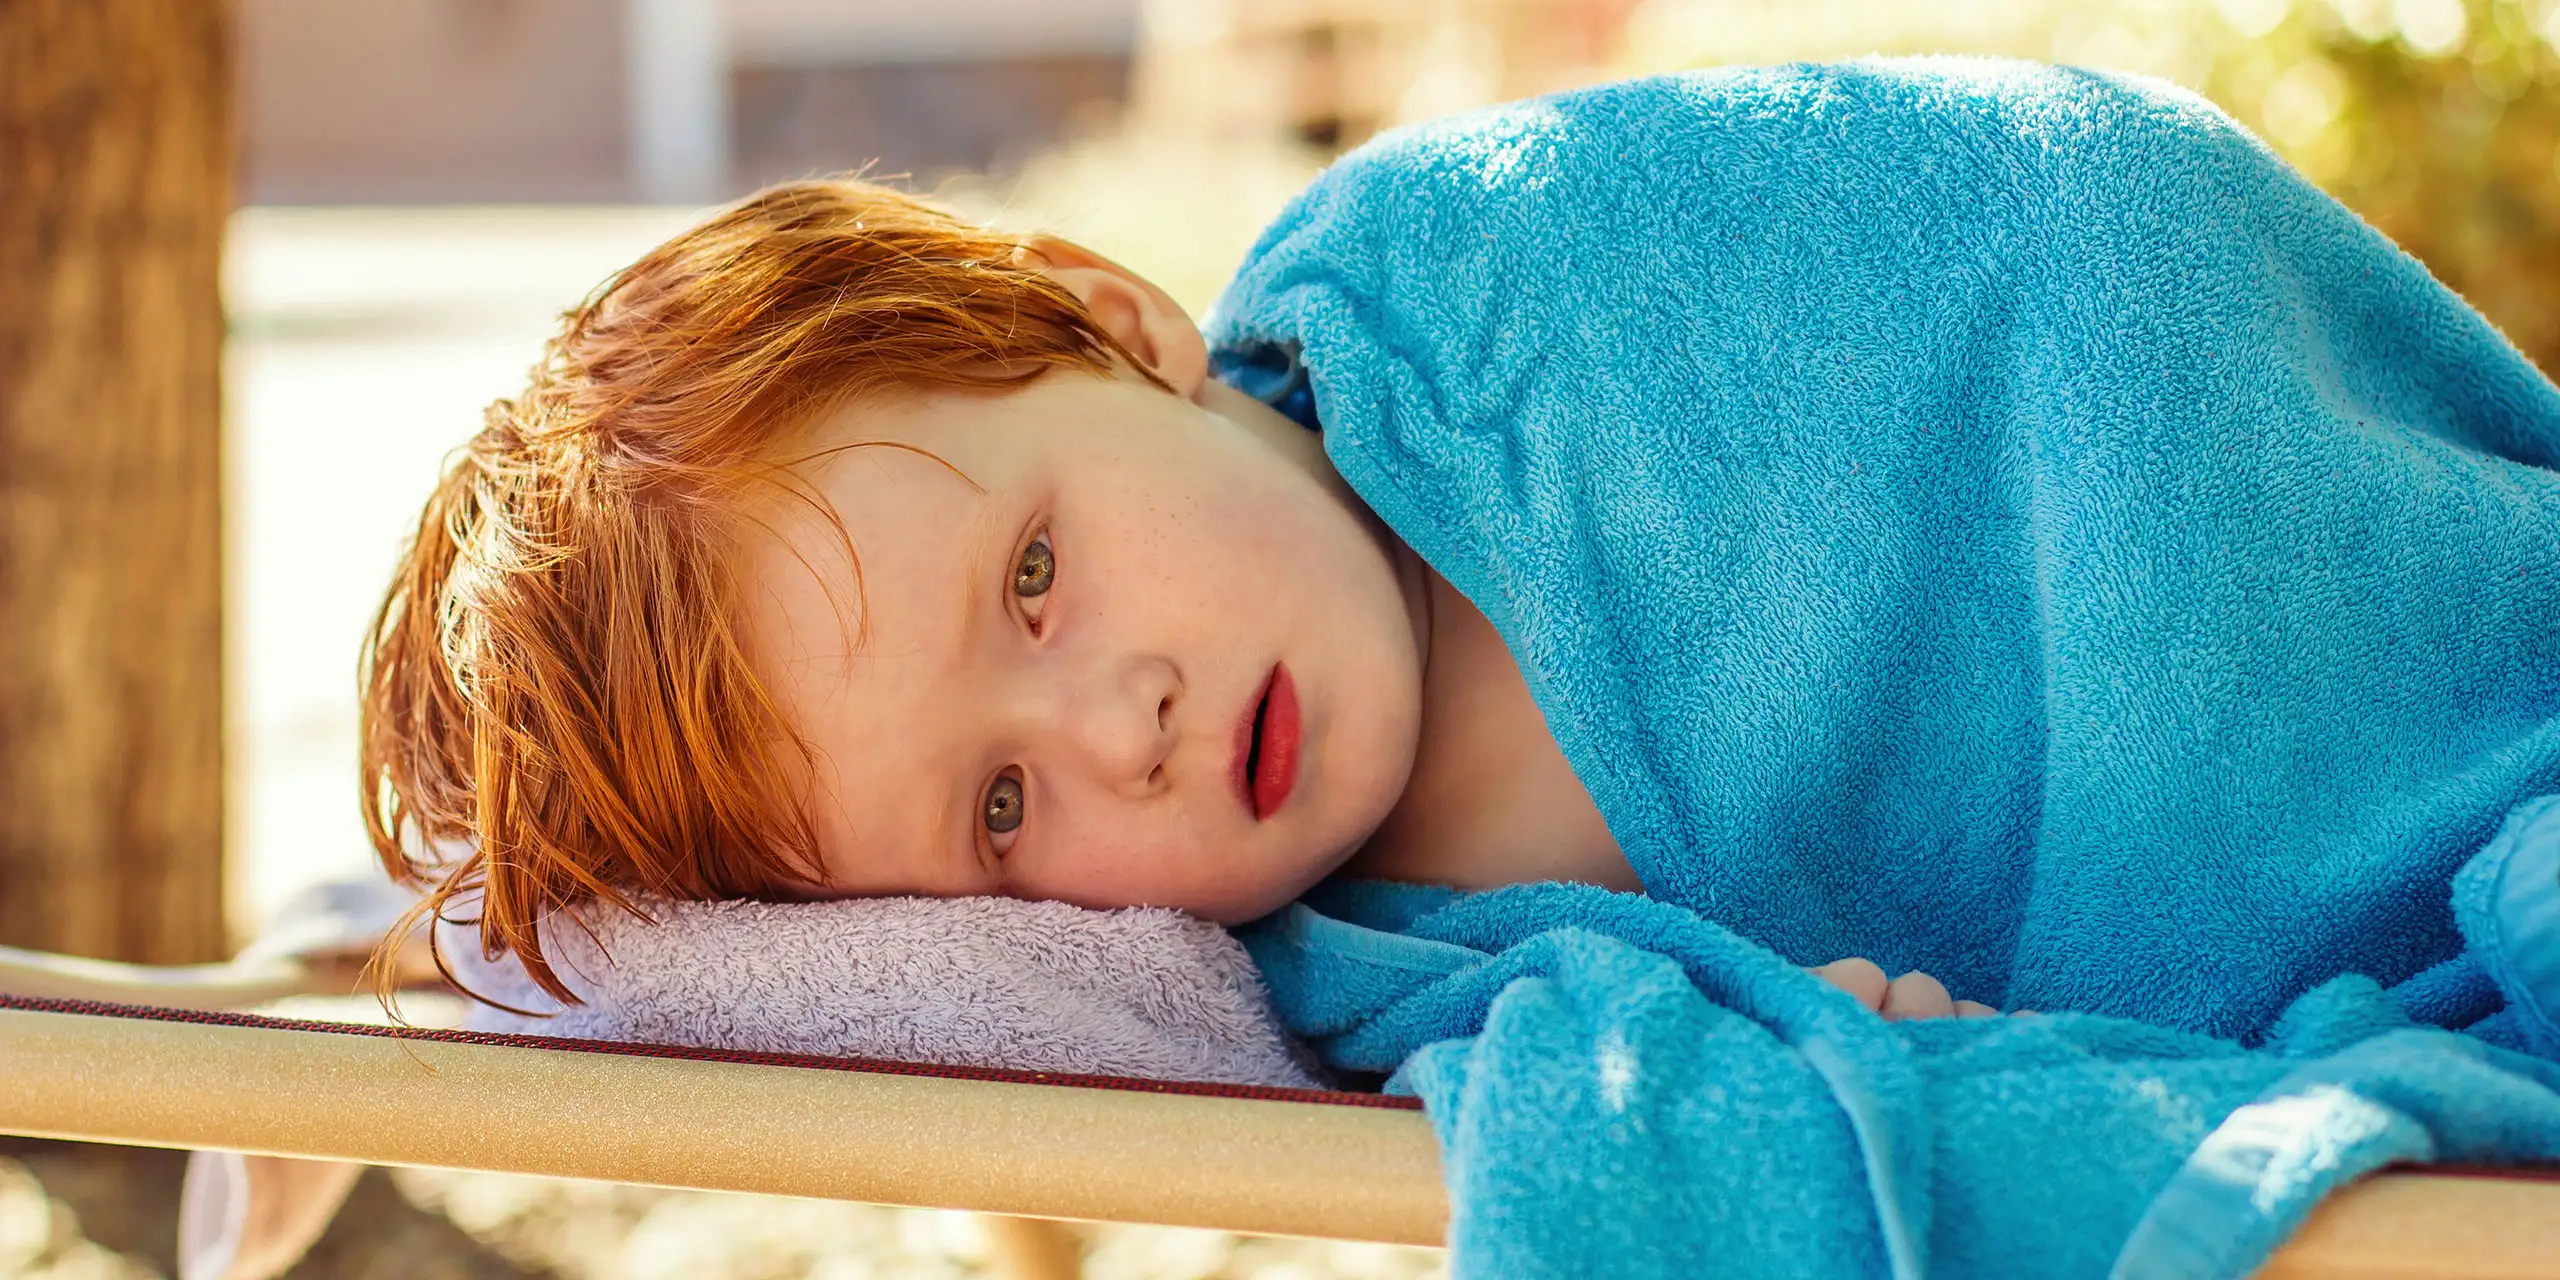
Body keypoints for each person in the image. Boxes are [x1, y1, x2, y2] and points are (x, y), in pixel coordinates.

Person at [366, 62, 2560, 1044]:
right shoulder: (1375, 967)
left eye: (1033, 577)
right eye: (999, 807)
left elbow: (2019, 234)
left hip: (2198, 451)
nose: (1110, 719)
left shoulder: (1472, 281)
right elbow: (1721, 1053)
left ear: (1112, 325)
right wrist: (1826, 1040)